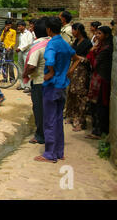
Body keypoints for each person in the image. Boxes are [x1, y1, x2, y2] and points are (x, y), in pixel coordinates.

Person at [34, 17, 75, 163]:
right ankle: (59, 151)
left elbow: (50, 60)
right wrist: (69, 71)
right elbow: (76, 57)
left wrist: (50, 72)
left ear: (49, 29)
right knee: (58, 119)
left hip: (51, 86)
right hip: (62, 85)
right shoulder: (64, 44)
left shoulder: (51, 44)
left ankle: (50, 153)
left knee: (49, 120)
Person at [22, 18, 50, 144]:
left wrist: (25, 73)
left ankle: (40, 135)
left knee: (39, 110)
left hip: (39, 81)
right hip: (51, 81)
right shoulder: (51, 42)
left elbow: (32, 65)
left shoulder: (37, 46)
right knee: (50, 109)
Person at [85, 26, 113, 140]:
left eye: (99, 33)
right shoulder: (100, 46)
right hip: (98, 78)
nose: (96, 36)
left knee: (100, 106)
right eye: (96, 33)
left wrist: (92, 53)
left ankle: (100, 131)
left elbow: (95, 63)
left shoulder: (106, 49)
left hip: (101, 80)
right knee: (95, 106)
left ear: (106, 35)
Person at [65, 23, 93, 131]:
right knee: (71, 93)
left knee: (80, 95)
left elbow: (88, 58)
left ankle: (80, 120)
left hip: (82, 71)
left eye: (73, 30)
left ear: (78, 30)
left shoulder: (87, 43)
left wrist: (78, 58)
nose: (72, 32)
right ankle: (72, 116)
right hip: (73, 71)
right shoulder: (76, 42)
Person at [16, 20, 33, 93]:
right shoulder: (20, 34)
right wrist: (19, 49)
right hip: (20, 52)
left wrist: (20, 48)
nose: (18, 27)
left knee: (27, 68)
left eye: (20, 26)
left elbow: (29, 43)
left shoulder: (28, 33)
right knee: (20, 68)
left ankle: (28, 86)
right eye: (18, 26)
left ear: (23, 26)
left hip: (26, 52)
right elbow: (21, 43)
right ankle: (22, 84)